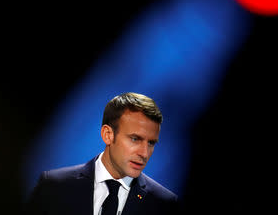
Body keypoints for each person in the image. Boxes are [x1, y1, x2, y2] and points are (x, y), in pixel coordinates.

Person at [25, 92, 178, 215]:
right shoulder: (53, 186)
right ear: (107, 135)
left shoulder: (164, 204)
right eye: (134, 139)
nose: (144, 153)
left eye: (151, 143)